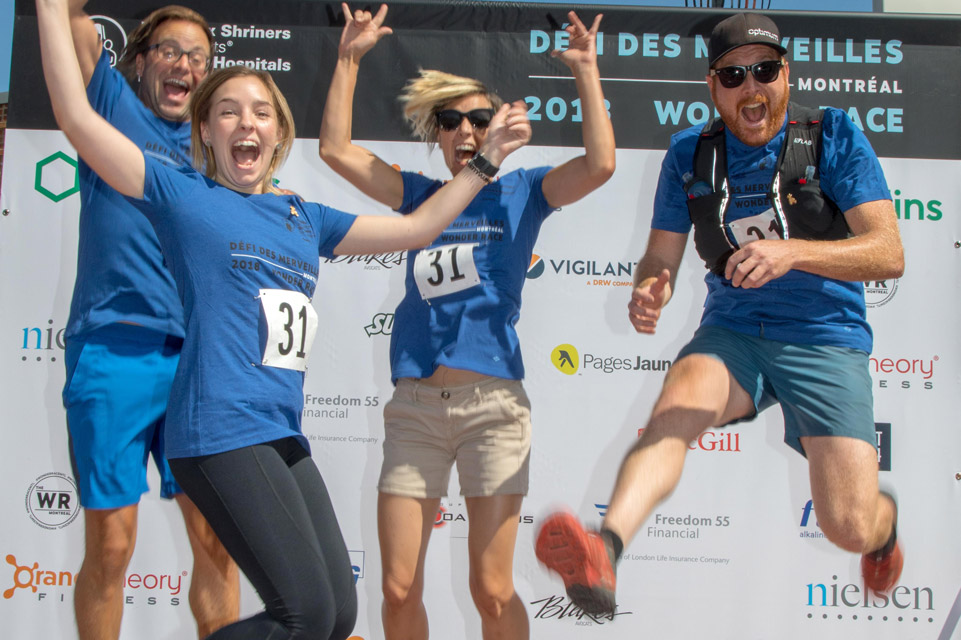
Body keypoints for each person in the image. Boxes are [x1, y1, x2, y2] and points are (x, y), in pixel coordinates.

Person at [38, 0, 532, 636]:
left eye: (261, 113)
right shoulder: (183, 194)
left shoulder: (305, 216)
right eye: (228, 112)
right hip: (217, 428)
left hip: (280, 430)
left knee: (336, 616)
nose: (246, 122)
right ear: (205, 135)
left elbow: (419, 226)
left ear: (278, 135)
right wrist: (51, 9)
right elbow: (77, 119)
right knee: (302, 616)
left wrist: (487, 160)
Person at [535, 12, 905, 616]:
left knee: (849, 527)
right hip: (734, 331)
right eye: (733, 76)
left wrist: (793, 252)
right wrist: (650, 287)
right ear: (713, 87)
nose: (750, 88)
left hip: (825, 338)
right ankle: (604, 552)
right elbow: (661, 253)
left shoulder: (833, 136)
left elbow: (888, 253)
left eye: (763, 71)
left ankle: (883, 526)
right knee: (675, 407)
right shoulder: (689, 153)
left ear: (786, 74)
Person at [319, 5, 615, 638]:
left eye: (480, 119)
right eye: (449, 121)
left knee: (490, 587)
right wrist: (348, 59)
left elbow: (600, 165)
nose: (466, 131)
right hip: (415, 408)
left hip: (492, 408)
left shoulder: (524, 192)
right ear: (437, 133)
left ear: (499, 128)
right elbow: (336, 151)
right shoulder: (420, 196)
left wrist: (586, 71)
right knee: (397, 588)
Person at [60, 2, 238, 637]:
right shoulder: (110, 105)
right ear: (140, 61)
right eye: (169, 50)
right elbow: (70, 26)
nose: (183, 64)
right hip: (114, 348)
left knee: (217, 543)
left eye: (196, 56)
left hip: (197, 363)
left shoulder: (215, 144)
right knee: (111, 547)